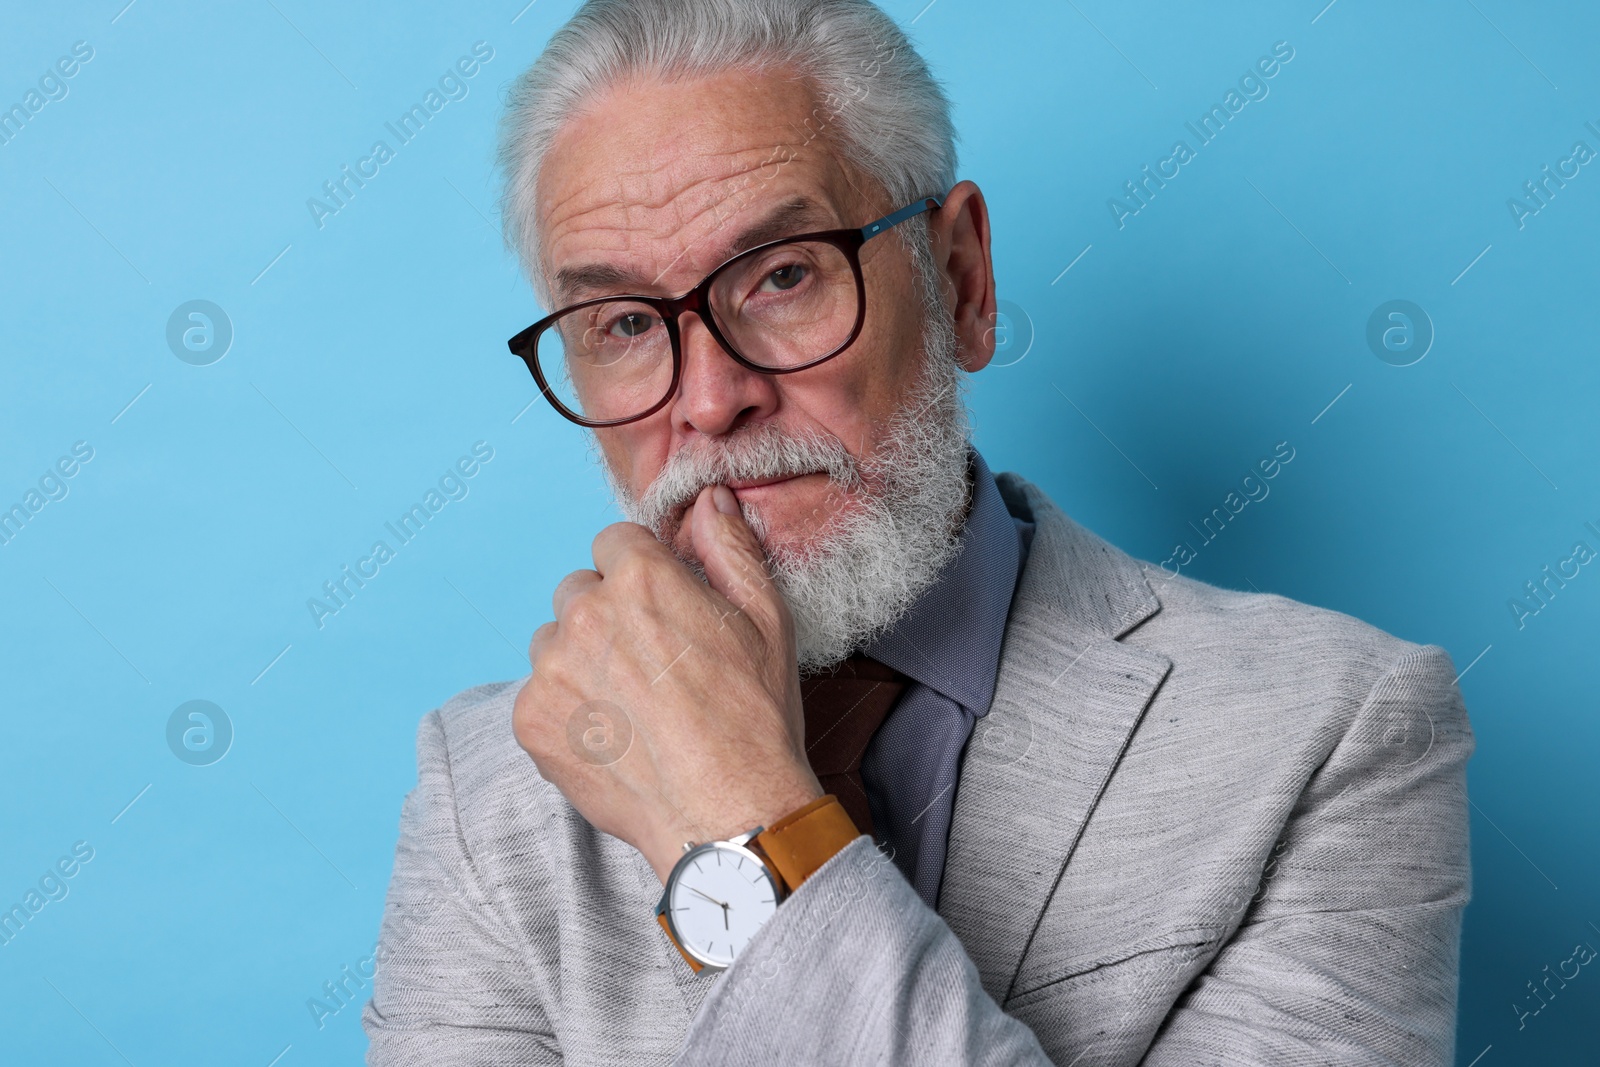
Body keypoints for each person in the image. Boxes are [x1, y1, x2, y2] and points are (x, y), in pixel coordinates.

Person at [363, 1, 1473, 1063]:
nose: (708, 401)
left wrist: (737, 821)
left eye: (783, 275)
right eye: (622, 324)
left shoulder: (1337, 734)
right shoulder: (484, 788)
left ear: (960, 282)